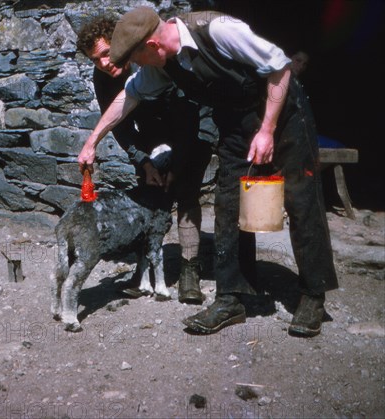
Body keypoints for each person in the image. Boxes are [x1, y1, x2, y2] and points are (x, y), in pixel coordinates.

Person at [78, 7, 338, 337]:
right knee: (228, 204)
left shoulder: (219, 30)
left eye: (138, 58)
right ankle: (232, 298)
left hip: (282, 113)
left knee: (302, 201)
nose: (137, 66)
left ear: (153, 45)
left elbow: (280, 67)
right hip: (235, 121)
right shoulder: (160, 63)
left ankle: (313, 296)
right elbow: (127, 97)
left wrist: (268, 130)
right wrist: (92, 141)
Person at [76, 15, 216, 303]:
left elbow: (187, 114)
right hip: (152, 136)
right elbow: (119, 125)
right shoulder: (105, 78)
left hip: (191, 127)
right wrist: (144, 162)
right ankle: (144, 273)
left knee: (186, 192)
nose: (103, 63)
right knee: (148, 199)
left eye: (106, 54)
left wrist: (177, 166)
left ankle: (189, 269)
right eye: (95, 60)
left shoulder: (151, 59)